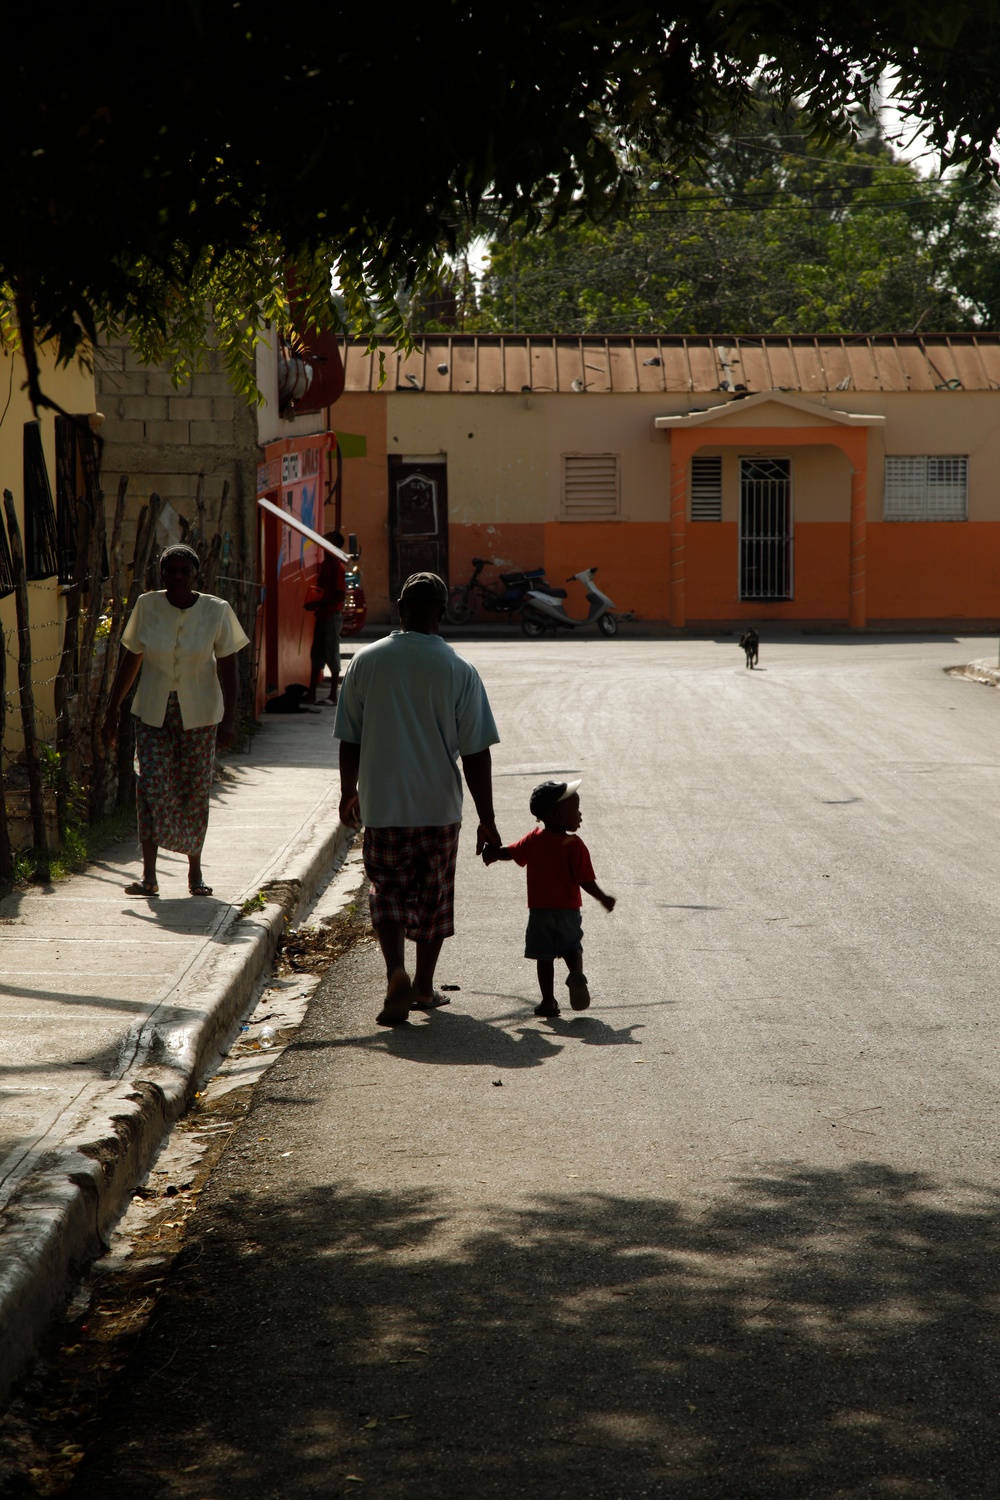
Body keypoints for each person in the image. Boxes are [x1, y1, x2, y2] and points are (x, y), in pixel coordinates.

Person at [335, 571, 501, 1026]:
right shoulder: (459, 669)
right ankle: (424, 989)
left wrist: (349, 792)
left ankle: (395, 972)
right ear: (442, 613)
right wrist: (487, 819)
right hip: (438, 808)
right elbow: (476, 753)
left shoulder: (367, 661)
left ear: (400, 609)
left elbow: (349, 739)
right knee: (433, 898)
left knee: (386, 891)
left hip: (383, 805)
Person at [101, 543, 250, 898]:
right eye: (171, 571)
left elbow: (229, 668)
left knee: (194, 790)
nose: (178, 577)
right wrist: (111, 712)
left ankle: (194, 873)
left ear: (196, 575)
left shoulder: (217, 610)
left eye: (185, 571)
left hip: (199, 715)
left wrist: (229, 720)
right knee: (150, 787)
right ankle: (149, 877)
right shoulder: (147, 606)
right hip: (152, 712)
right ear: (161, 575)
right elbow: (131, 659)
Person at [482, 779, 615, 1017]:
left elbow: (510, 853)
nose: (580, 814)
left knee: (544, 957)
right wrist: (603, 897)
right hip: (568, 911)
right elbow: (585, 880)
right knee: (572, 946)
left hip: (540, 911)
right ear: (558, 814)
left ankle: (548, 1002)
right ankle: (575, 974)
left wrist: (491, 854)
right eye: (575, 809)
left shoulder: (534, 839)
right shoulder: (574, 845)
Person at [304, 530, 346, 705]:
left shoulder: (337, 566)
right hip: (322, 614)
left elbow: (340, 595)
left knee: (331, 652)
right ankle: (312, 693)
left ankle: (333, 695)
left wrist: (318, 604)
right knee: (317, 653)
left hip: (331, 615)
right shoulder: (326, 564)